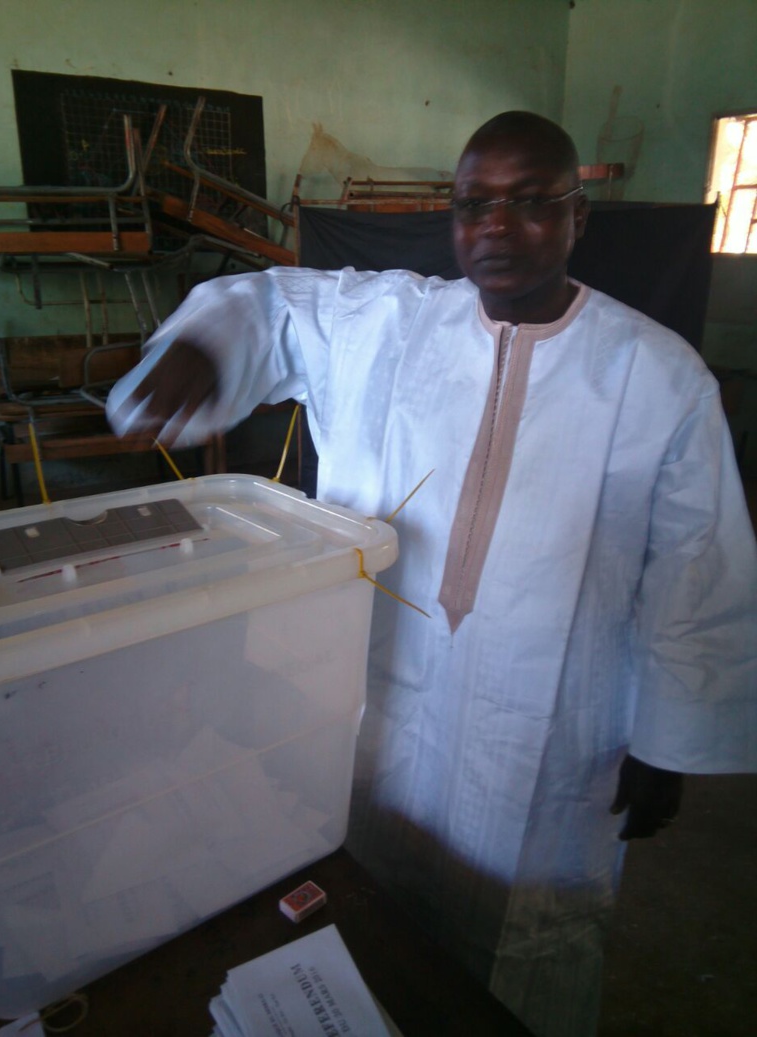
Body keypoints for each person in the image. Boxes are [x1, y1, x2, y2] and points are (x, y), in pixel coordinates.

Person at [107, 112, 757, 1037]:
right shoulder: (389, 323)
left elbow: (695, 568)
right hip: (385, 694)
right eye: (472, 204)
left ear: (576, 216)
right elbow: (272, 303)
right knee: (370, 908)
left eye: (529, 202)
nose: (494, 225)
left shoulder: (656, 377)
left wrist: (669, 739)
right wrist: (204, 343)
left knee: (522, 948)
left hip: (554, 726)